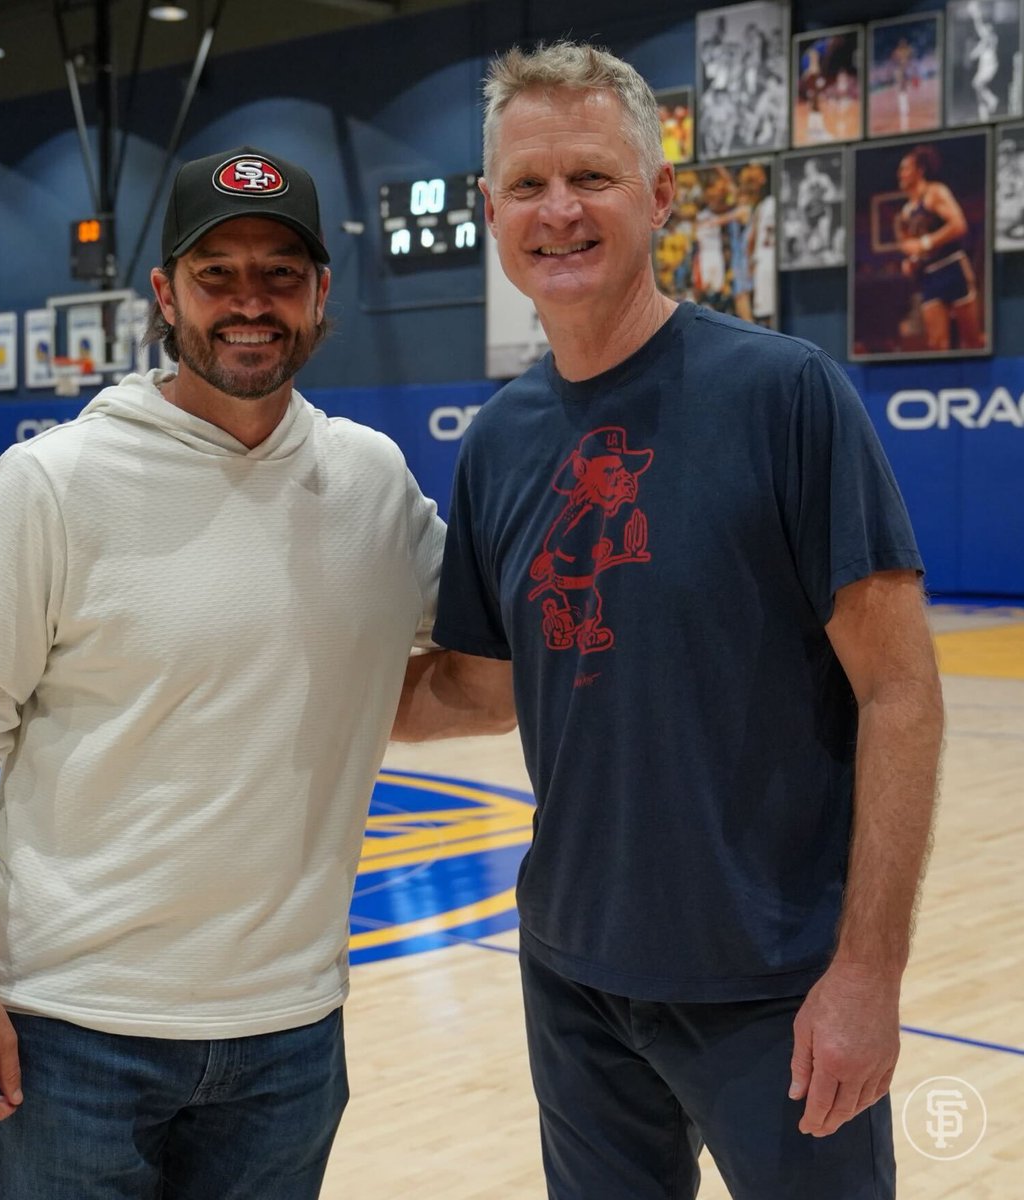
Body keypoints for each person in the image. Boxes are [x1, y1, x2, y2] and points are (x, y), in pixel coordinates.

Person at [395, 41, 943, 1199]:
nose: (560, 211)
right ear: (491, 211)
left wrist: (867, 974)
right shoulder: (496, 443)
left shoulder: (785, 395)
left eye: (592, 177)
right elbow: (486, 687)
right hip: (574, 977)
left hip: (775, 984)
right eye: (530, 186)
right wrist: (279, 694)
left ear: (659, 195)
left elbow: (900, 692)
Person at [0, 145, 504, 1200]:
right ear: (164, 295)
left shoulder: (370, 482)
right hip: (72, 1029)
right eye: (216, 273)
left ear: (322, 295)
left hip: (292, 1033)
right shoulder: (53, 483)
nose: (249, 302)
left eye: (280, 273)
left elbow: (455, 678)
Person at [894, 142, 984, 351]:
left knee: (972, 341)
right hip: (930, 276)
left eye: (905, 168)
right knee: (937, 344)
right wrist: (912, 261)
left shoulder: (935, 193)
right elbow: (912, 247)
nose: (900, 174)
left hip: (953, 267)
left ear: (920, 170)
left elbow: (959, 224)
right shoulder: (906, 212)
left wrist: (926, 242)